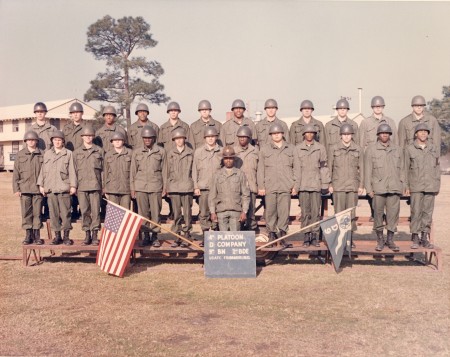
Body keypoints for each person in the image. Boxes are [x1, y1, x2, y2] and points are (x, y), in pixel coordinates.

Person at [364, 124, 404, 252]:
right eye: (382, 133)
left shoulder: (398, 149)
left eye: (387, 133)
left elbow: (403, 169)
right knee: (378, 214)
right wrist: (369, 188)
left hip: (394, 187)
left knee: (393, 215)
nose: (385, 135)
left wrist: (403, 185)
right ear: (378, 135)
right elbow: (367, 171)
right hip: (378, 188)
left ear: (390, 134)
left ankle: (390, 240)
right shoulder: (371, 150)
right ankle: (380, 240)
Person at [358, 96, 398, 222]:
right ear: (372, 108)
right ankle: (374, 212)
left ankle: (386, 214)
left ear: (383, 107)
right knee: (372, 185)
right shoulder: (366, 123)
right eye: (375, 107)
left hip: (387, 158)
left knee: (387, 185)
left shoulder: (390, 122)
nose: (378, 108)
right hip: (371, 158)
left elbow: (395, 142)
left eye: (380, 106)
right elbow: (361, 143)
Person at [257, 123, 295, 248]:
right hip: (270, 186)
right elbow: (260, 169)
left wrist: (295, 185)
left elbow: (296, 168)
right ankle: (272, 234)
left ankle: (283, 236)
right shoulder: (265, 149)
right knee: (270, 212)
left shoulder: (291, 149)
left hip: (285, 186)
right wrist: (261, 186)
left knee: (284, 212)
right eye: (274, 133)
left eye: (278, 133)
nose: (276, 135)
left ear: (283, 134)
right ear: (271, 135)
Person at [37, 130, 77, 245]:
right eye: (55, 140)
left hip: (64, 188)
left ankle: (66, 236)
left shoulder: (68, 153)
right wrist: (41, 185)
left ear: (63, 142)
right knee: (53, 214)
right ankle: (57, 236)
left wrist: (73, 186)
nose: (57, 142)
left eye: (59, 140)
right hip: (50, 188)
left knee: (65, 213)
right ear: (52, 141)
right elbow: (43, 171)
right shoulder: (47, 154)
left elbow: (72, 171)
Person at [293, 124, 331, 247]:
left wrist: (325, 184)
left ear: (314, 134)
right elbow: (297, 170)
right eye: (307, 133)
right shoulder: (298, 149)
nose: (309, 135)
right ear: (304, 134)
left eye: (312, 133)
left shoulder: (320, 148)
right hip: (303, 185)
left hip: (316, 185)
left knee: (315, 213)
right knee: (305, 213)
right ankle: (306, 236)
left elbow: (324, 167)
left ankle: (314, 236)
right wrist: (296, 186)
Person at [404, 123, 440, 249]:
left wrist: (437, 184)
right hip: (416, 185)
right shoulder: (409, 149)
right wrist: (406, 186)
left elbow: (436, 167)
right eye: (421, 131)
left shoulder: (433, 148)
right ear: (416, 134)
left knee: (428, 212)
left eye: (426, 132)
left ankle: (425, 237)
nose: (423, 133)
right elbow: (405, 168)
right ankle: (415, 237)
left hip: (430, 185)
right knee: (416, 212)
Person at [328, 123, 364, 247]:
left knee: (351, 214)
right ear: (341, 136)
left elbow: (362, 168)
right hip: (338, 186)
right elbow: (330, 167)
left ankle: (349, 238)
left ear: (352, 135)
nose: (347, 137)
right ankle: (340, 238)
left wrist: (361, 185)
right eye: (344, 134)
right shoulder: (334, 148)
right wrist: (330, 183)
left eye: (349, 134)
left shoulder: (358, 149)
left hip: (352, 186)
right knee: (339, 213)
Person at [130, 126, 167, 247]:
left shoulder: (161, 151)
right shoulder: (136, 152)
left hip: (156, 186)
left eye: (149, 138)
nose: (147, 140)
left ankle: (155, 235)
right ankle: (146, 235)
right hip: (141, 187)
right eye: (145, 138)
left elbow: (165, 171)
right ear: (142, 139)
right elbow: (133, 171)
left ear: (154, 138)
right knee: (143, 213)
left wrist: (165, 187)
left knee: (156, 213)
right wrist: (133, 188)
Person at [163, 128, 194, 247]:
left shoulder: (191, 152)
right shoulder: (170, 153)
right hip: (174, 187)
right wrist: (167, 187)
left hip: (187, 186)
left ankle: (187, 234)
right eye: (177, 139)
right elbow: (166, 171)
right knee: (176, 213)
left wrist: (194, 185)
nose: (179, 141)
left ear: (184, 139)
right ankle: (177, 235)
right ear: (174, 140)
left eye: (181, 138)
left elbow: (194, 171)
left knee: (187, 212)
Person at [73, 126, 104, 245]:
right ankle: (87, 234)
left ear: (93, 137)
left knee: (96, 211)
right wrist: (74, 186)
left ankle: (95, 234)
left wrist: (103, 185)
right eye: (86, 136)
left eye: (90, 136)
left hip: (96, 185)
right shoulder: (76, 152)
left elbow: (103, 170)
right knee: (85, 210)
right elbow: (74, 171)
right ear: (82, 137)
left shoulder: (99, 151)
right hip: (82, 186)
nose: (88, 138)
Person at [13, 131, 44, 245]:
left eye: (33, 140)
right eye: (29, 140)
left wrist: (43, 186)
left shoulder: (42, 154)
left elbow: (45, 172)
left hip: (37, 189)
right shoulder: (20, 154)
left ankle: (37, 235)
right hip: (25, 188)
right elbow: (16, 173)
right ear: (25, 141)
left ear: (36, 141)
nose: (31, 142)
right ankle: (28, 235)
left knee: (37, 213)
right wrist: (16, 188)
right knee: (26, 213)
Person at [192, 127, 223, 245]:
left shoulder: (221, 151)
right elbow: (195, 170)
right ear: (205, 138)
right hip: (203, 188)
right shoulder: (198, 152)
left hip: (217, 189)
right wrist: (196, 186)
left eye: (212, 136)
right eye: (208, 137)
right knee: (203, 212)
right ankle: (205, 236)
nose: (210, 139)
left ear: (216, 137)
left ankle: (215, 235)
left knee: (216, 212)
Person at [209, 146, 250, 231]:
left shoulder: (240, 174)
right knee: (223, 240)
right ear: (223, 159)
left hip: (236, 211)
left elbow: (245, 195)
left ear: (234, 159)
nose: (228, 160)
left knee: (235, 239)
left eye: (230, 158)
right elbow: (212, 195)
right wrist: (212, 212)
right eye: (226, 158)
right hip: (221, 211)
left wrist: (244, 211)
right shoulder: (217, 175)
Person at [63, 102, 86, 220]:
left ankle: (83, 209)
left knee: (82, 185)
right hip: (70, 160)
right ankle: (73, 209)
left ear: (82, 113)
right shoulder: (66, 128)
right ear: (71, 115)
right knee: (71, 184)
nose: (76, 115)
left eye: (77, 112)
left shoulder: (87, 126)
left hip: (84, 160)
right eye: (73, 113)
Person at [234, 126, 259, 231]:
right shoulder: (233, 151)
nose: (242, 139)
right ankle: (239, 236)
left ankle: (250, 234)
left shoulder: (255, 151)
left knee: (251, 214)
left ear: (249, 138)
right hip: (236, 188)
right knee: (237, 213)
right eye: (240, 137)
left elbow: (260, 169)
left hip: (251, 186)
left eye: (244, 137)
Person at [103, 132, 133, 209]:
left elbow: (134, 172)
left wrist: (133, 188)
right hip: (112, 188)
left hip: (126, 188)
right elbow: (105, 172)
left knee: (125, 211)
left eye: (119, 140)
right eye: (115, 140)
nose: (117, 142)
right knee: (114, 212)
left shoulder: (130, 153)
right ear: (112, 142)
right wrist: (105, 188)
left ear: (123, 141)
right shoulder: (108, 155)